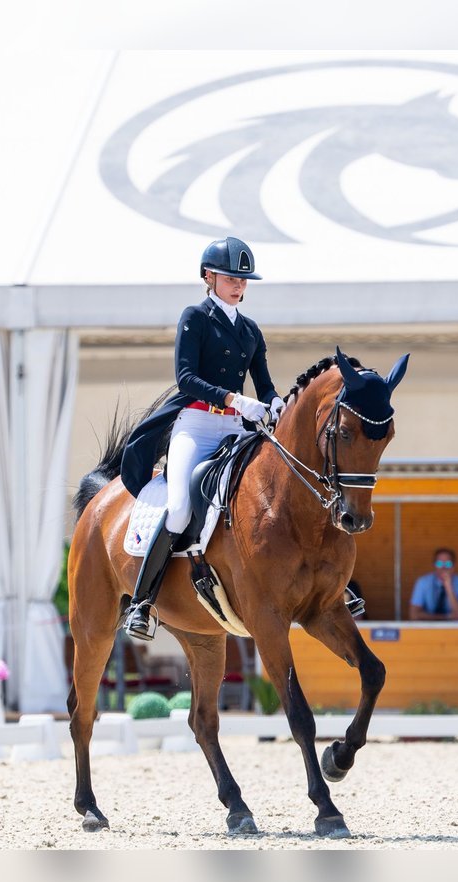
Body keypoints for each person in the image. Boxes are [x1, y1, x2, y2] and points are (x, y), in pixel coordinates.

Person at [119, 236, 284, 641]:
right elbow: (186, 379)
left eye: (244, 279)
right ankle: (142, 602)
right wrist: (234, 399)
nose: (239, 285)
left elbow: (264, 383)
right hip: (196, 425)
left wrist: (277, 403)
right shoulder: (195, 317)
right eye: (231, 277)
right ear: (209, 276)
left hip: (235, 428)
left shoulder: (249, 330)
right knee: (177, 509)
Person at [408, 548, 458, 621]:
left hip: (454, 629)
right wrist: (446, 617)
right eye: (439, 564)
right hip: (428, 628)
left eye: (448, 564)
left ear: (454, 566)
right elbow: (413, 615)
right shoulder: (423, 582)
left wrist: (448, 586)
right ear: (434, 565)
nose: (443, 568)